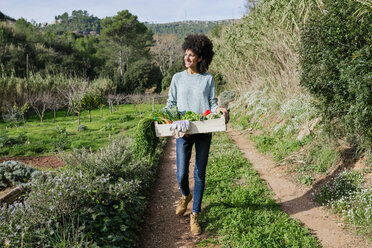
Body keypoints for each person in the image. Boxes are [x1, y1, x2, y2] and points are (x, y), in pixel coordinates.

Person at [166, 34, 229, 235]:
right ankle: (185, 195)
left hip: (203, 130)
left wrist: (220, 110)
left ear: (200, 58)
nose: (187, 58)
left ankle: (195, 214)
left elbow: (212, 103)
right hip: (183, 131)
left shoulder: (207, 79)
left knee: (199, 173)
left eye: (191, 55)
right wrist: (165, 116)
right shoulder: (177, 78)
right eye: (186, 54)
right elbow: (171, 105)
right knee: (181, 173)